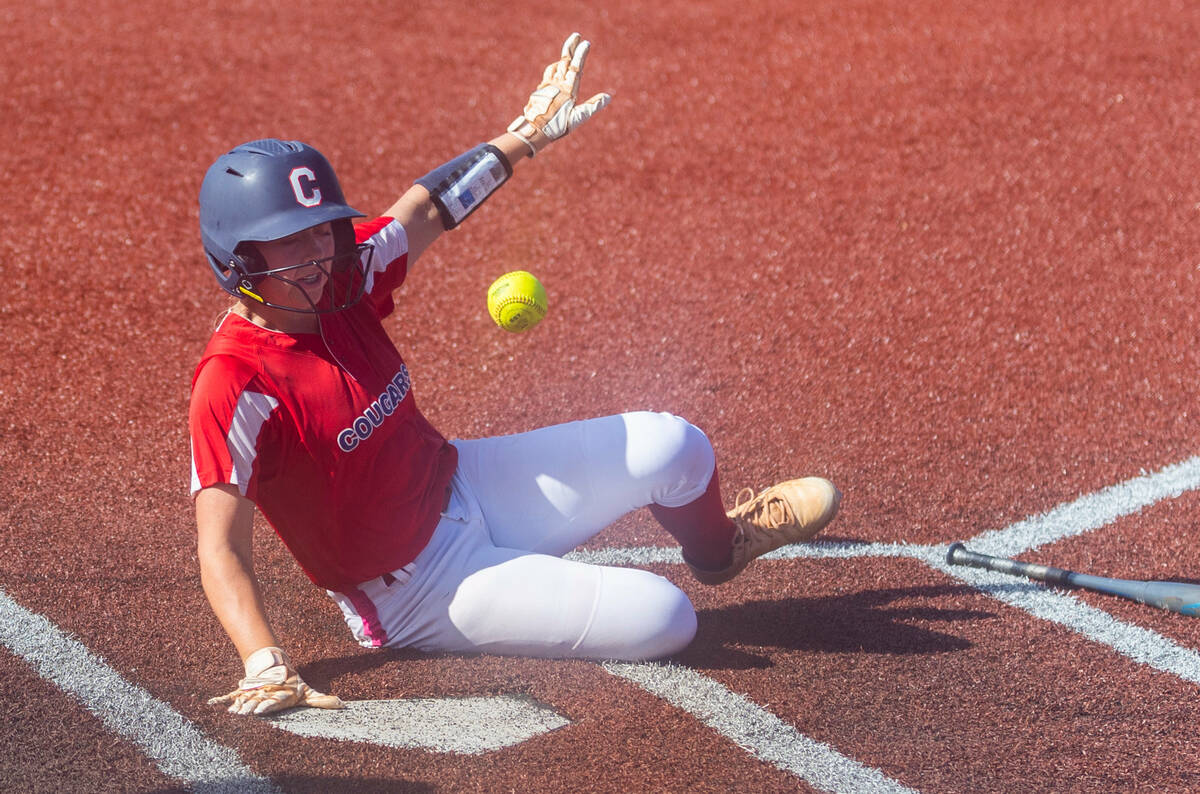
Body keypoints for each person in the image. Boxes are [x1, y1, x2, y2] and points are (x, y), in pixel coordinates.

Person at [190, 33, 841, 717]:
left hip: (462, 481)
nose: (317, 253)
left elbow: (425, 210)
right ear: (237, 260)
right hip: (412, 587)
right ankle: (509, 593)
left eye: (322, 229)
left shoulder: (342, 280)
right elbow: (219, 548)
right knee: (667, 618)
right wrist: (264, 661)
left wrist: (523, 137)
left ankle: (721, 548)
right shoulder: (234, 383)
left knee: (677, 446)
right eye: (290, 240)